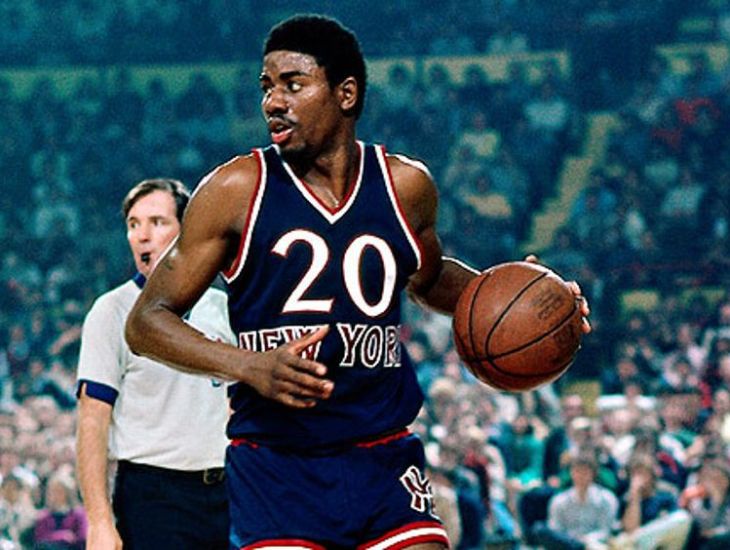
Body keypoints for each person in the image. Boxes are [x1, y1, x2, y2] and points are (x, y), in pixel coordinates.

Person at [125, 15, 590, 550]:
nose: (273, 102)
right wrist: (246, 365)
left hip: (382, 453)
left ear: (345, 94)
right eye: (267, 87)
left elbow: (429, 278)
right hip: (278, 462)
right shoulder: (235, 189)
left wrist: (533, 299)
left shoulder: (405, 186)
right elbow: (146, 321)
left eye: (293, 84)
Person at [75, 178, 233, 550]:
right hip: (153, 493)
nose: (142, 235)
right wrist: (99, 521)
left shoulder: (222, 308)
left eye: (157, 222)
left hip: (227, 489)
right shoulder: (112, 311)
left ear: (187, 232)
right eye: (133, 224)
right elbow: (92, 419)